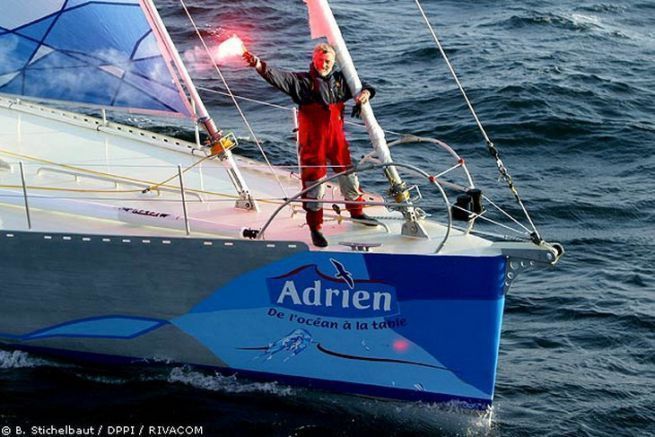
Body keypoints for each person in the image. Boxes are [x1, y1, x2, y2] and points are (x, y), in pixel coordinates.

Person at [243, 43, 378, 248]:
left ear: (333, 62)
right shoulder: (302, 82)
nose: (324, 64)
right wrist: (258, 64)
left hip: (337, 142)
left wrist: (365, 93)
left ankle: (357, 212)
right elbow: (277, 76)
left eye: (328, 61)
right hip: (312, 144)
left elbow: (363, 85)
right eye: (320, 60)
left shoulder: (342, 80)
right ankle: (315, 228)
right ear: (313, 59)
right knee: (315, 186)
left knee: (349, 177)